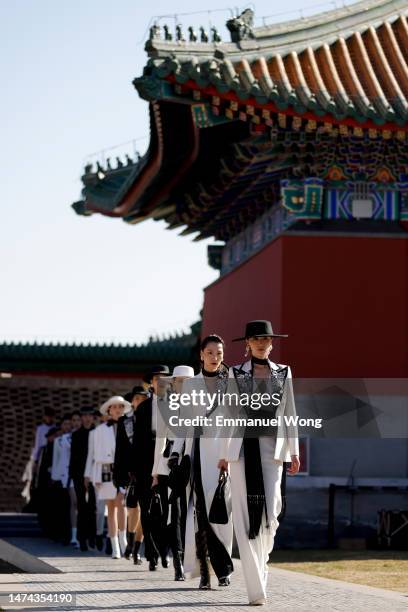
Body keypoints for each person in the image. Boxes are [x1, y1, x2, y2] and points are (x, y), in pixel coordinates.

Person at [217, 320, 300, 606]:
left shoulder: (284, 372)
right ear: (248, 344)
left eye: (266, 339)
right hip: (241, 449)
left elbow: (290, 412)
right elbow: (227, 414)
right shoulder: (235, 374)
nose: (262, 343)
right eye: (256, 339)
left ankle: (261, 565)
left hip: (273, 449)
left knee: (272, 511)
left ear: (272, 343)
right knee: (244, 514)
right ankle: (256, 587)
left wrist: (295, 451)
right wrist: (223, 452)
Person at [170, 336, 234, 590]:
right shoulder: (192, 384)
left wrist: (230, 454)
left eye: (219, 352)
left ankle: (224, 570)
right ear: (201, 355)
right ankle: (205, 570)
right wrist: (176, 452)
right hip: (197, 453)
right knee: (200, 514)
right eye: (210, 352)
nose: (215, 356)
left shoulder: (231, 383)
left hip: (224, 454)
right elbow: (183, 422)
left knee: (222, 513)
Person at [153, 365, 195, 581]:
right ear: (173, 383)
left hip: (194, 458)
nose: (183, 384)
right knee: (175, 511)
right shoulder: (164, 404)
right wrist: (155, 471)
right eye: (179, 381)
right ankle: (178, 561)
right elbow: (160, 438)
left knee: (193, 509)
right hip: (170, 461)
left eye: (187, 381)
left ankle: (194, 557)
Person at [133, 365, 171, 571]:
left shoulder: (176, 404)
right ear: (151, 383)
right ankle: (151, 554)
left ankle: (165, 552)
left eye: (165, 378)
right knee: (147, 512)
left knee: (165, 510)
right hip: (145, 465)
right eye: (157, 379)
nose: (161, 382)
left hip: (167, 462)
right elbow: (137, 442)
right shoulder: (144, 408)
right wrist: (135, 471)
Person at [89, 395, 132, 559]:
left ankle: (124, 542)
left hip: (123, 471)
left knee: (122, 503)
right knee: (111, 507)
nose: (118, 410)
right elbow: (94, 455)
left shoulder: (129, 426)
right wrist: (95, 477)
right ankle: (115, 547)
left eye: (120, 407)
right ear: (109, 410)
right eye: (114, 407)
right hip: (106, 470)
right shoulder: (98, 431)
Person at [113, 385, 149, 564]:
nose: (139, 402)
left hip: (148, 469)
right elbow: (120, 449)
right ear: (132, 402)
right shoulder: (123, 421)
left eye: (143, 399)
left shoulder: (152, 419)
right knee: (133, 508)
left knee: (145, 510)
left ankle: (136, 548)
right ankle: (130, 538)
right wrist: (118, 473)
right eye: (136, 399)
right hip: (130, 472)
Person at [69, 406, 96, 552]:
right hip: (79, 477)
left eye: (89, 415)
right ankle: (82, 539)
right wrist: (73, 477)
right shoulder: (76, 435)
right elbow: (73, 458)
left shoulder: (97, 433)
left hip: (94, 476)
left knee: (93, 507)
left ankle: (92, 537)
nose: (87, 418)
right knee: (82, 507)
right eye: (84, 416)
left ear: (93, 417)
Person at [51, 414, 72, 543]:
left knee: (71, 506)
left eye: (69, 424)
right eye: (65, 424)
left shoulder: (74, 438)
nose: (67, 426)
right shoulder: (58, 440)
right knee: (62, 507)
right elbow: (56, 459)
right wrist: (54, 476)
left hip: (73, 476)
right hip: (60, 477)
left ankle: (70, 533)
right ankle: (61, 533)